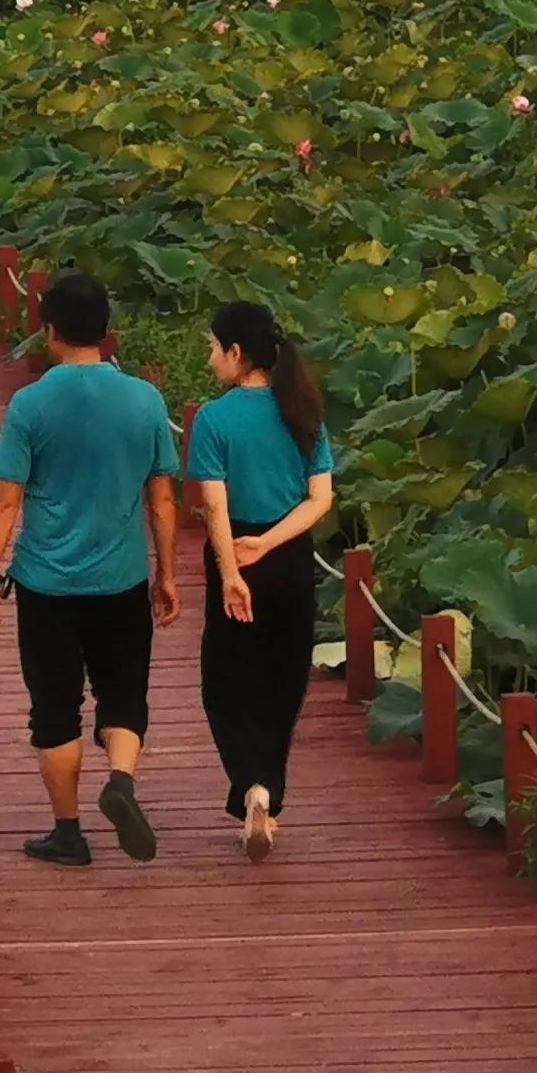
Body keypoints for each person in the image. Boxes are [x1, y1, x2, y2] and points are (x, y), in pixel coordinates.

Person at [0, 268, 180, 865]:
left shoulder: (31, 403)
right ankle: (120, 780)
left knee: (55, 707)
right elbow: (162, 497)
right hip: (122, 577)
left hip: (47, 583)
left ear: (50, 331)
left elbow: (5, 499)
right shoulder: (146, 399)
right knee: (124, 695)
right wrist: (166, 573)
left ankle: (68, 832)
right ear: (108, 331)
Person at [190, 299, 338, 858]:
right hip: (291, 558)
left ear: (236, 353)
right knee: (282, 683)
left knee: (226, 682)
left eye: (213, 348)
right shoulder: (304, 411)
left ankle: (251, 783)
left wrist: (232, 569)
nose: (210, 360)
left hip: (237, 553)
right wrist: (273, 542)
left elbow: (214, 505)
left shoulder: (213, 418)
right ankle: (268, 799)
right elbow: (320, 499)